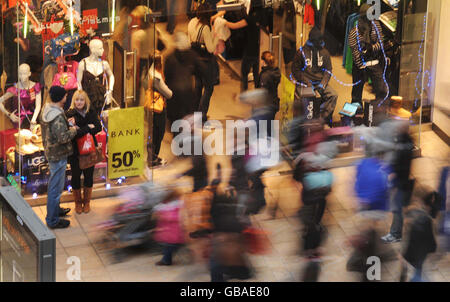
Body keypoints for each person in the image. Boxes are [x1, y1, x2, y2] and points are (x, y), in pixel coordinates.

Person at [41, 86, 78, 229]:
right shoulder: (56, 116)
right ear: (60, 97)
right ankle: (52, 220)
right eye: (65, 95)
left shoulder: (48, 109)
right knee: (55, 188)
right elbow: (62, 137)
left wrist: (66, 124)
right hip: (58, 154)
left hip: (52, 152)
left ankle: (55, 210)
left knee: (55, 185)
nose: (66, 97)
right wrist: (73, 130)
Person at [292, 26, 337, 127]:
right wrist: (307, 82)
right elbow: (295, 70)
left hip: (320, 82)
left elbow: (328, 70)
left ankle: (321, 118)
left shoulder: (325, 52)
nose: (320, 43)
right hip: (305, 82)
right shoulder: (301, 52)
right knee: (306, 98)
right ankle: (304, 123)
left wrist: (323, 84)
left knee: (333, 95)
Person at [65, 90, 102, 214]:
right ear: (73, 101)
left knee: (88, 176)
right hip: (75, 152)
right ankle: (78, 203)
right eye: (76, 99)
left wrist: (80, 129)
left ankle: (87, 202)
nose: (79, 102)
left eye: (81, 99)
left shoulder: (91, 112)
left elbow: (98, 127)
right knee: (75, 177)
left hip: (90, 150)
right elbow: (72, 134)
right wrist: (87, 128)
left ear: (85, 101)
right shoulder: (69, 114)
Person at [164, 32, 208, 129]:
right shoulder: (192, 55)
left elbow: (167, 75)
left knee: (175, 121)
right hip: (188, 91)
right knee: (187, 120)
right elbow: (203, 69)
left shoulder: (170, 58)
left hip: (173, 92)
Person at [348, 3, 388, 107]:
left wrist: (371, 48)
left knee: (381, 89)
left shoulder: (376, 25)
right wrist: (361, 65)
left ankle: (378, 110)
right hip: (360, 63)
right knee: (357, 92)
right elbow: (355, 51)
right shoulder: (355, 32)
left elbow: (381, 44)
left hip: (374, 61)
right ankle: (357, 112)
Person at [381, 120, 414, 243]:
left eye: (398, 128)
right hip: (401, 181)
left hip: (401, 182)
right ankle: (395, 233)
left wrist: (392, 173)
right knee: (397, 207)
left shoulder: (403, 144)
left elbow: (400, 163)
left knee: (397, 208)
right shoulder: (405, 141)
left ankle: (395, 234)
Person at [188, 2, 220, 122]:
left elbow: (188, 41)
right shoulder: (205, 28)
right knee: (208, 88)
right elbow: (211, 49)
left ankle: (194, 112)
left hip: (195, 60)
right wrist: (216, 37)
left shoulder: (191, 22)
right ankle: (201, 115)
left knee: (198, 86)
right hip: (206, 62)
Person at [400, 186, 439, 282]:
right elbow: (431, 240)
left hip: (413, 255)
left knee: (415, 274)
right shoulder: (425, 219)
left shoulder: (412, 216)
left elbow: (408, 239)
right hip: (419, 256)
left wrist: (404, 255)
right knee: (418, 274)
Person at [225, 0, 261, 92]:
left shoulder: (248, 19)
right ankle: (257, 92)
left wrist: (222, 22)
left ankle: (244, 93)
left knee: (244, 73)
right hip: (257, 49)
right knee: (256, 73)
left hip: (249, 50)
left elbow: (233, 26)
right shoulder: (260, 17)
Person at [146, 53, 173, 167]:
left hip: (151, 108)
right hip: (158, 109)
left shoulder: (149, 72)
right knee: (158, 134)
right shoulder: (156, 77)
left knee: (153, 134)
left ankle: (152, 158)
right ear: (158, 63)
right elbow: (169, 94)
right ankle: (153, 159)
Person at [153, 190, 185, 266]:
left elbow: (170, 217)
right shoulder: (177, 205)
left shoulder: (166, 206)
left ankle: (166, 260)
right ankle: (166, 259)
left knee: (169, 245)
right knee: (169, 246)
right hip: (172, 231)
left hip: (171, 231)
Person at [257, 51, 281, 134]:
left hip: (266, 105)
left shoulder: (265, 75)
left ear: (263, 62)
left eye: (261, 60)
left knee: (261, 128)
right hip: (273, 103)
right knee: (269, 127)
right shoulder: (276, 72)